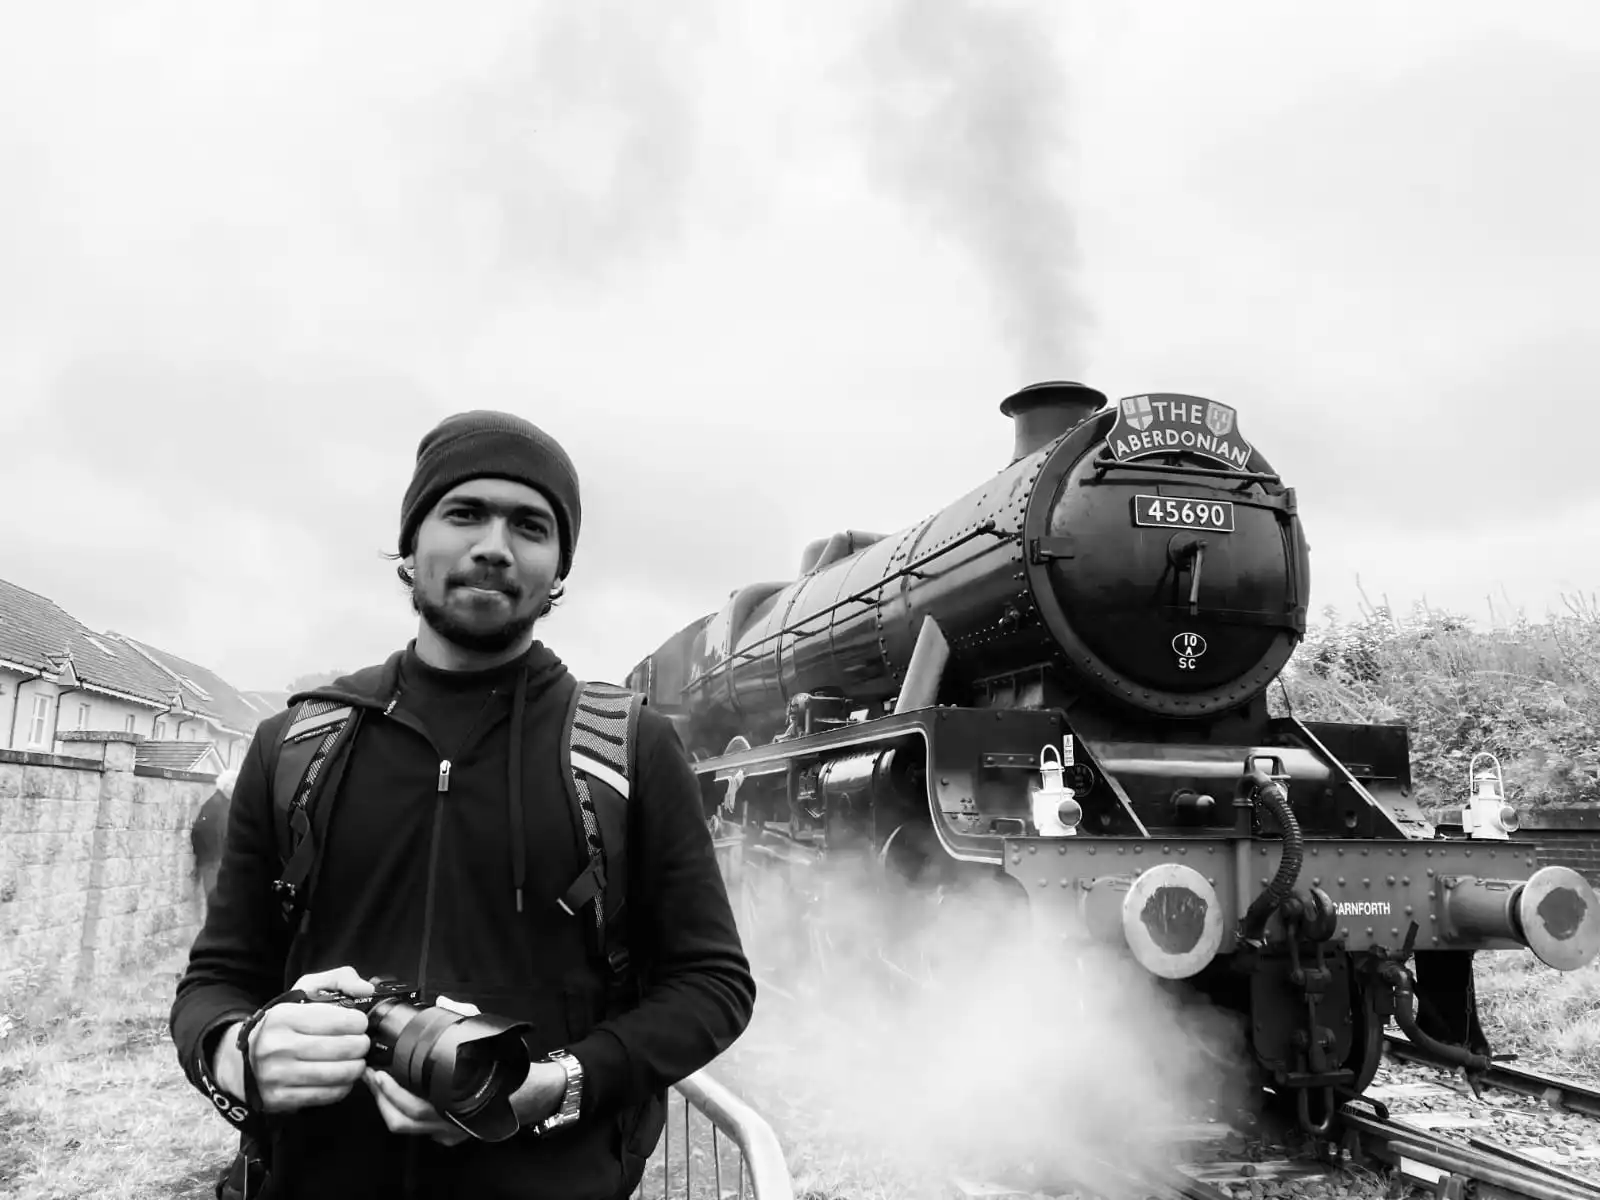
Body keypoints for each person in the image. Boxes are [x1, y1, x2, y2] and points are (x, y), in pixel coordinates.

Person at [169, 410, 757, 1199]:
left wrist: (559, 1084)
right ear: (411, 546)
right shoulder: (296, 745)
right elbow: (216, 979)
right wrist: (237, 1052)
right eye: (464, 512)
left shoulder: (631, 749)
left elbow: (713, 984)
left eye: (530, 525)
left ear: (558, 569)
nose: (494, 545)